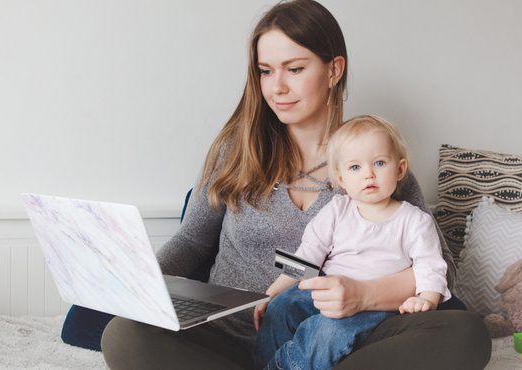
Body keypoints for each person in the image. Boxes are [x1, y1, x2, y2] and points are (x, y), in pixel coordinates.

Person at [99, 1, 491, 369]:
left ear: (334, 70)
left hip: (341, 339)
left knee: (465, 333)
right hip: (229, 338)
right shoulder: (235, 152)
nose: (277, 88)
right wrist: (138, 281)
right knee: (124, 336)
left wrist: (364, 295)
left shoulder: (375, 162)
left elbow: (441, 271)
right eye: (266, 71)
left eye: (295, 69)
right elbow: (191, 243)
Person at [252, 115, 451, 370]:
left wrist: (427, 299)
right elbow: (308, 253)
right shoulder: (337, 209)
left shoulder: (415, 220)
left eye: (379, 163)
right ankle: (261, 365)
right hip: (327, 286)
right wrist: (271, 292)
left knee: (326, 332)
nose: (369, 174)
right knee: (280, 307)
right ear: (341, 179)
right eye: (355, 167)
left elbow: (431, 266)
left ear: (400, 169)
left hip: (375, 306)